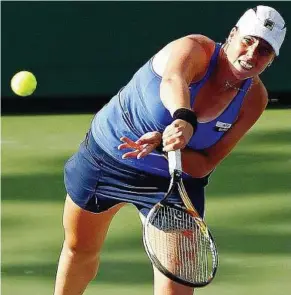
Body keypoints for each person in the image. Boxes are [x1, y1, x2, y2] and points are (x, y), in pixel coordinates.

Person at [53, 5, 286, 295]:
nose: (252, 54)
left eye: (264, 50)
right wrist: (183, 119)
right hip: (108, 158)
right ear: (232, 35)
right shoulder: (195, 49)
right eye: (248, 41)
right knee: (80, 250)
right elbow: (173, 80)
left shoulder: (253, 99)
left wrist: (164, 144)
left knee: (177, 283)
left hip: (172, 182)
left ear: (271, 61)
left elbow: (205, 163)